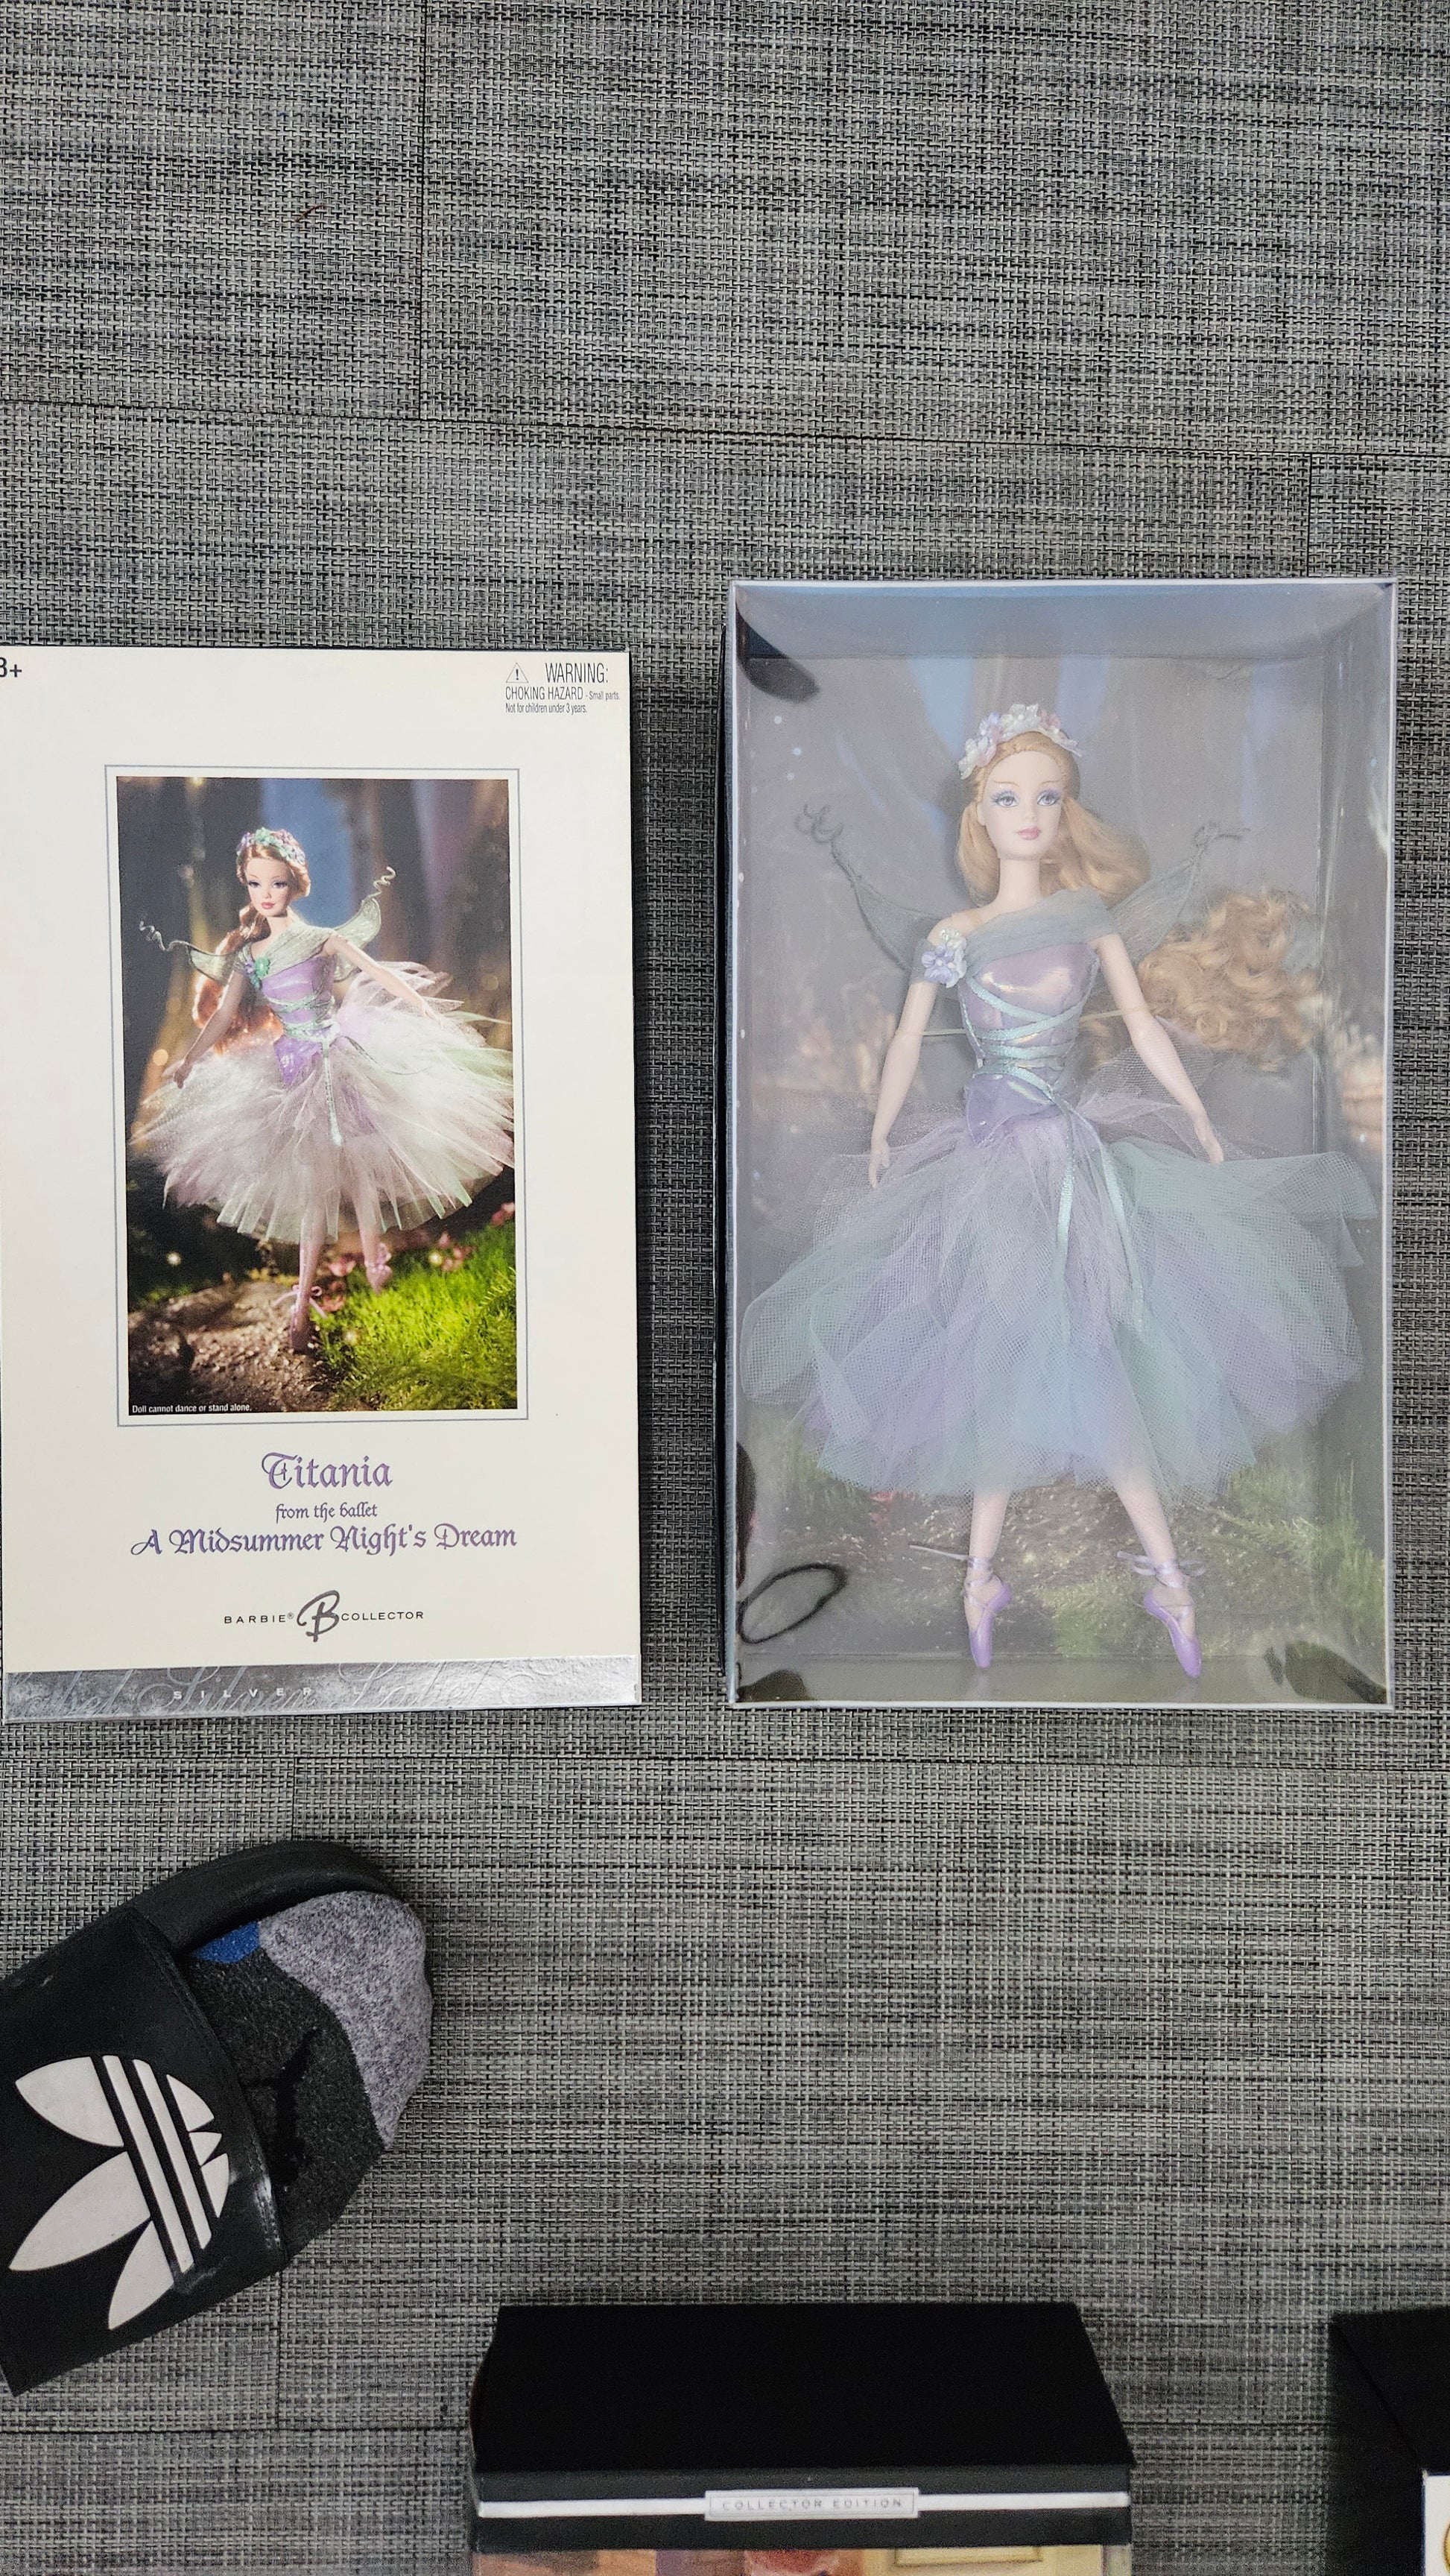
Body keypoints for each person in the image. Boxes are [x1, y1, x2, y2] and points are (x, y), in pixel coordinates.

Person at [740, 708, 1375, 1677]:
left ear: (1066, 810)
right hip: (989, 1165)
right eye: (1007, 798)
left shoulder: (1084, 919)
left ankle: (1163, 1579)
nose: (1028, 814)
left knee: (1099, 1354)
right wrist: (877, 1131)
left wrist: (1194, 1114)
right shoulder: (952, 935)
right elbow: (907, 1038)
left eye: (1046, 797)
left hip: (1075, 1160)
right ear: (979, 816)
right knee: (996, 1356)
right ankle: (983, 1580)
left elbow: (1140, 1024)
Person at [136, 826, 513, 1351]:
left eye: (277, 883)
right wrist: (192, 1059)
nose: (267, 894)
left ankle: (375, 1266)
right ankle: (302, 1305)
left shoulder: (320, 939)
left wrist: (422, 1006)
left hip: (341, 1057)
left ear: (295, 884)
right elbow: (223, 1014)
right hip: (291, 1069)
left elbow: (376, 971)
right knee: (313, 1184)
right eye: (256, 884)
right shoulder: (250, 956)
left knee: (360, 1163)